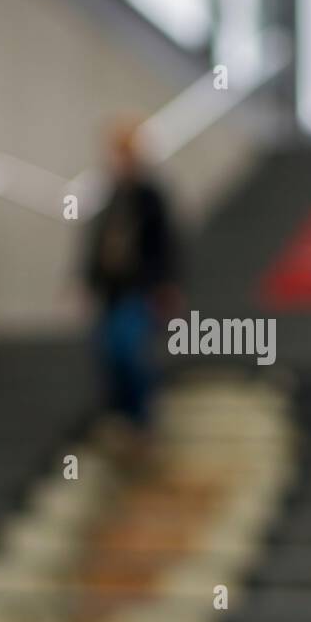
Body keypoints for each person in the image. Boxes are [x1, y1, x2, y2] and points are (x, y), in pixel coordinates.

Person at [83, 118, 181, 429]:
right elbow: (97, 244)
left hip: (140, 289)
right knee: (109, 354)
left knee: (128, 350)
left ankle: (142, 419)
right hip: (111, 291)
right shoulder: (110, 196)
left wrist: (166, 285)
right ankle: (123, 417)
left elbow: (166, 243)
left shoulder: (150, 196)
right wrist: (87, 281)